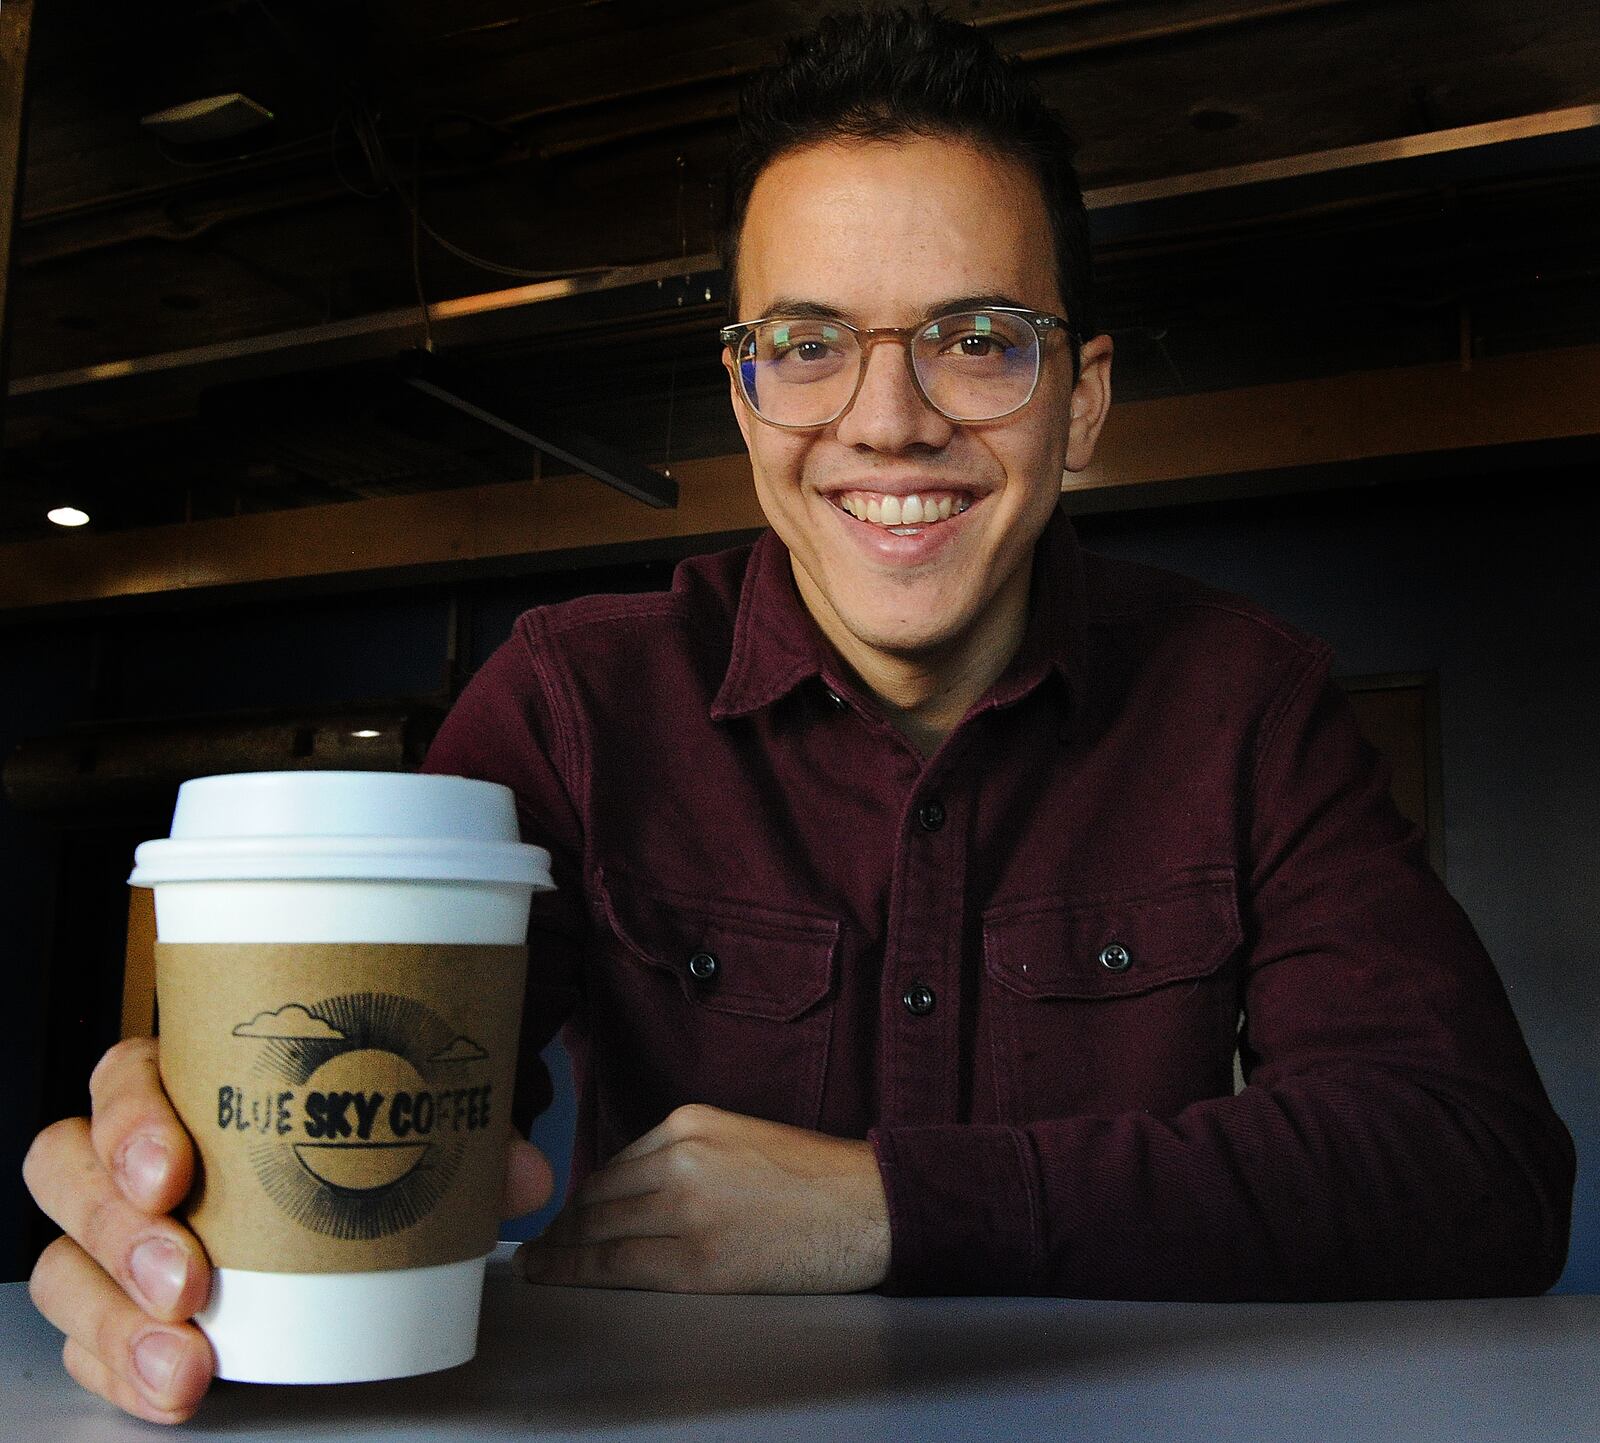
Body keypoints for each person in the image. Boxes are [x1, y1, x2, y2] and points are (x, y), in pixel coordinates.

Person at [22, 3, 1574, 1425]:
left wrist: (890, 1204)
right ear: (745, 390)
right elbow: (349, 1075)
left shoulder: (1249, 703)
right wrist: (172, 1198)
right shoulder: (570, 701)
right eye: (809, 343)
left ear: (1080, 399)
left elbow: (1480, 1171)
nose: (886, 419)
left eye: (976, 338)